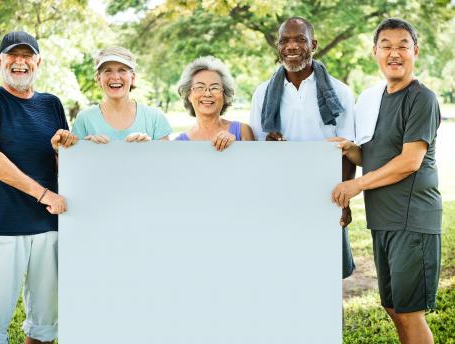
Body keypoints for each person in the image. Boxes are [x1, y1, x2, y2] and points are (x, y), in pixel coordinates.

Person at [331, 18, 442, 344]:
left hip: (412, 222)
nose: (395, 53)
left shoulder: (422, 98)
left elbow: (409, 162)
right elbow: (372, 156)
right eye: (387, 46)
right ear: (375, 52)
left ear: (415, 52)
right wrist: (348, 148)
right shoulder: (374, 99)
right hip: (383, 221)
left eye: (402, 46)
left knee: (410, 313)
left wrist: (356, 185)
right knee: (394, 308)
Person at [0, 31, 75, 344]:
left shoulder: (51, 104)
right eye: (13, 55)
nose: (20, 62)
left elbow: (64, 167)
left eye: (28, 56)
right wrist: (43, 194)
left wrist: (59, 151)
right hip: (2, 225)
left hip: (49, 225)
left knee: (44, 325)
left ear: (38, 62)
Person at [249, 17, 356, 278]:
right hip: (278, 196)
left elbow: (349, 151)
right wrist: (268, 145)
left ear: (314, 44)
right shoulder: (262, 94)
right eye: (285, 40)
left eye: (300, 39)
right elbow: (254, 150)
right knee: (282, 270)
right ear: (278, 47)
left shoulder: (340, 93)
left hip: (325, 196)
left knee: (327, 275)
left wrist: (343, 201)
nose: (292, 46)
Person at [70, 47, 171, 143]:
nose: (115, 77)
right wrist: (86, 148)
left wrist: (150, 147)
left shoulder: (155, 118)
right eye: (108, 71)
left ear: (133, 78)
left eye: (122, 70)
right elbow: (71, 159)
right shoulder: (84, 119)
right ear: (98, 79)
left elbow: (168, 159)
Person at [175, 56, 254, 150]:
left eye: (215, 88)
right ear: (189, 95)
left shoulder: (242, 131)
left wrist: (236, 145)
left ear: (224, 95)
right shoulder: (178, 143)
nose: (207, 94)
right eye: (200, 87)